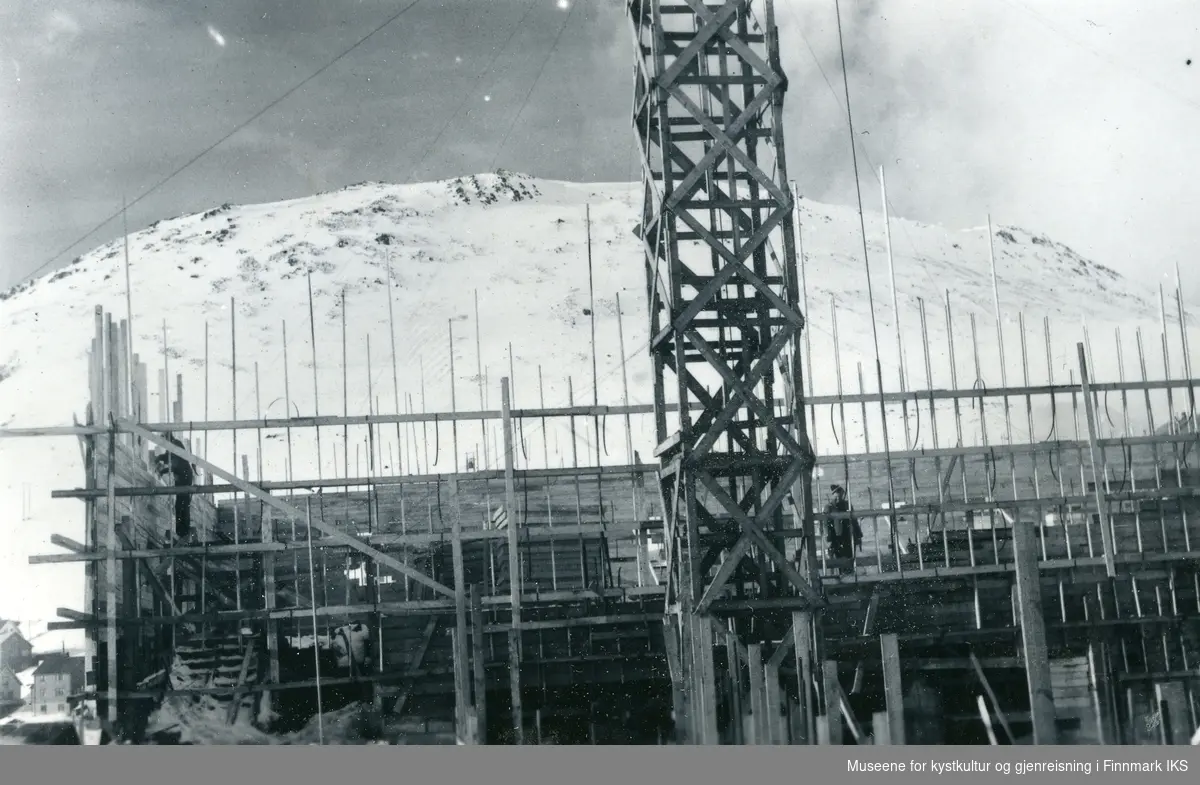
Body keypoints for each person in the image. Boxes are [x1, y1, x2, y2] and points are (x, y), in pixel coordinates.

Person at [155, 434, 196, 540]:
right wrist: (159, 458)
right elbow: (168, 457)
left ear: (167, 438)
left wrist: (163, 470)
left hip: (184, 477)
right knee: (180, 504)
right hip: (181, 478)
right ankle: (181, 532)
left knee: (182, 504)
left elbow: (175, 464)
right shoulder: (172, 446)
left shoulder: (175, 444)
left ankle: (183, 532)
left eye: (162, 439)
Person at [823, 484, 862, 568]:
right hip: (836, 538)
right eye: (837, 496)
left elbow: (854, 521)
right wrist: (828, 541)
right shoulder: (828, 507)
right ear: (833, 494)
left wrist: (858, 535)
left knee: (850, 560)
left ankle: (850, 574)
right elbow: (825, 525)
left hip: (848, 536)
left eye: (841, 495)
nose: (839, 497)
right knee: (840, 562)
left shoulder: (847, 505)